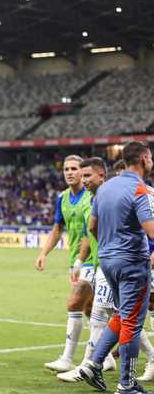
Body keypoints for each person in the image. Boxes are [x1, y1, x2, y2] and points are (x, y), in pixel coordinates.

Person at [79, 141, 154, 394]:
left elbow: (91, 227)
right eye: (151, 157)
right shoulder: (139, 189)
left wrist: (110, 247)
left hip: (108, 261)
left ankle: (93, 363)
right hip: (132, 263)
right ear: (143, 158)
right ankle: (127, 384)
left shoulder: (106, 188)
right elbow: (150, 230)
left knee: (122, 315)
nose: (151, 162)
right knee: (133, 322)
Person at [57, 157, 116, 382]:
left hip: (113, 263)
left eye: (86, 175)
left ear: (101, 175)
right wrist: (80, 262)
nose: (83, 180)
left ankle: (87, 364)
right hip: (102, 264)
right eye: (81, 175)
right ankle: (94, 363)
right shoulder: (93, 198)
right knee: (106, 314)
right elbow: (88, 232)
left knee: (113, 314)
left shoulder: (108, 196)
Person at [35, 155, 95, 372]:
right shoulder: (62, 198)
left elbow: (91, 230)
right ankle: (105, 358)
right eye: (66, 169)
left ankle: (68, 358)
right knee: (93, 311)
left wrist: (81, 259)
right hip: (76, 262)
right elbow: (57, 228)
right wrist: (44, 253)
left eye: (74, 168)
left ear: (82, 171)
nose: (69, 172)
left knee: (76, 304)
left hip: (91, 260)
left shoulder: (91, 196)